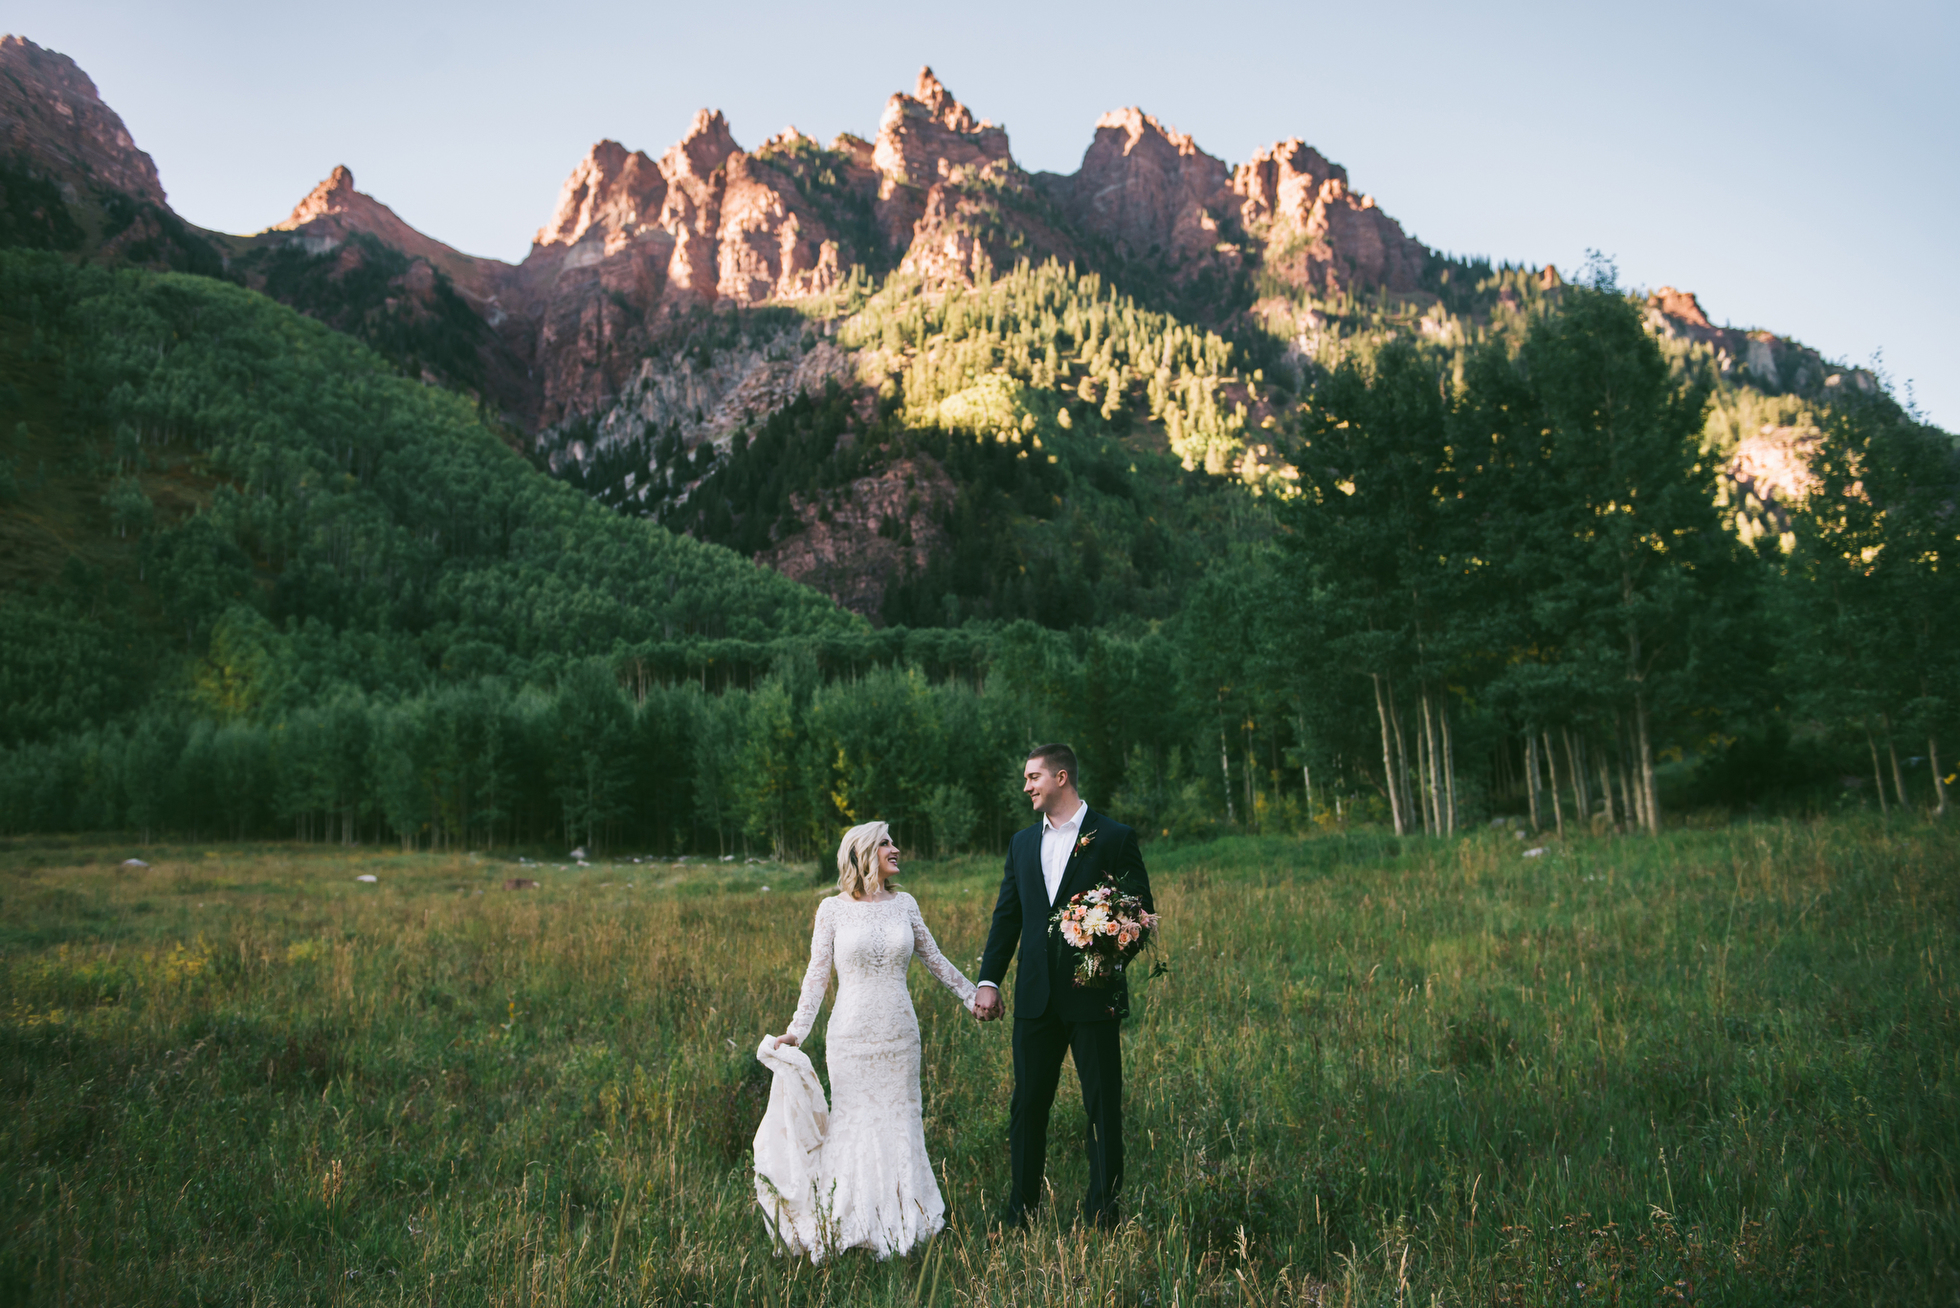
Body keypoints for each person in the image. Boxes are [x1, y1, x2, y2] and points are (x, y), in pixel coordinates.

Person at [759, 821, 978, 1261]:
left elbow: (934, 958)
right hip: (851, 1038)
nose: (896, 849)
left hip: (899, 1036)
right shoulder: (832, 910)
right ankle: (850, 1217)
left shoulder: (906, 905)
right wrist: (797, 1031)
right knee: (855, 1121)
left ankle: (906, 1215)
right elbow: (816, 977)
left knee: (900, 1121)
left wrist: (975, 997)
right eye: (886, 843)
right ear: (862, 853)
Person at [972, 743, 1154, 1230]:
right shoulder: (1021, 844)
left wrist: (1105, 955)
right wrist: (988, 979)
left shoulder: (1114, 836)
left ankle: (1103, 1215)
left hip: (1092, 997)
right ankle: (1021, 1214)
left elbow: (1140, 912)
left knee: (1101, 1107)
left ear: (1061, 777)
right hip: (1034, 997)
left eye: (1033, 777)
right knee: (1027, 1106)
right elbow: (1007, 916)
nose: (1027, 786)